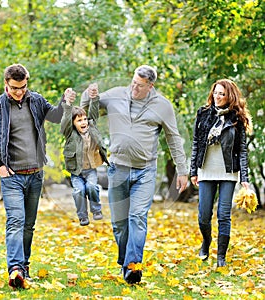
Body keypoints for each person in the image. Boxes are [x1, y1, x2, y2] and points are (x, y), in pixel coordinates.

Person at [81, 65, 188, 284]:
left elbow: (174, 139)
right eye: (133, 82)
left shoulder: (163, 106)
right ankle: (125, 261)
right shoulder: (116, 95)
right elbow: (86, 112)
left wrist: (182, 170)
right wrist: (88, 95)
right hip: (118, 168)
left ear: (150, 86)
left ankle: (132, 266)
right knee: (119, 224)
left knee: (137, 217)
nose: (134, 88)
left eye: (139, 86)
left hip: (145, 171)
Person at [0, 64, 65, 289]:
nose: (20, 92)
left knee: (28, 225)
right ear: (6, 84)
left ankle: (23, 269)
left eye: (23, 87)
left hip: (35, 174)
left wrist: (65, 102)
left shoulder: (35, 100)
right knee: (15, 222)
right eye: (15, 88)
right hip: (12, 176)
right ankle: (15, 268)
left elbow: (55, 117)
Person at [190, 79, 252, 267]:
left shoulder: (236, 118)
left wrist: (245, 178)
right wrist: (193, 170)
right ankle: (206, 242)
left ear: (229, 96)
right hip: (206, 170)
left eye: (222, 94)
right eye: (215, 93)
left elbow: (242, 149)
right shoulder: (203, 114)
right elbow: (196, 143)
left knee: (224, 214)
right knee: (203, 215)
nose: (217, 97)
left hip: (228, 172)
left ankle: (221, 257)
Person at [60, 86, 109, 226]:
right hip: (76, 172)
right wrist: (68, 104)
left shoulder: (92, 128)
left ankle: (96, 210)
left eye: (84, 119)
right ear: (73, 124)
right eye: (79, 120)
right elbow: (65, 121)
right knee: (79, 190)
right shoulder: (70, 134)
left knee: (92, 187)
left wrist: (94, 97)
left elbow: (93, 112)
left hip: (90, 170)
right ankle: (82, 216)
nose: (83, 122)